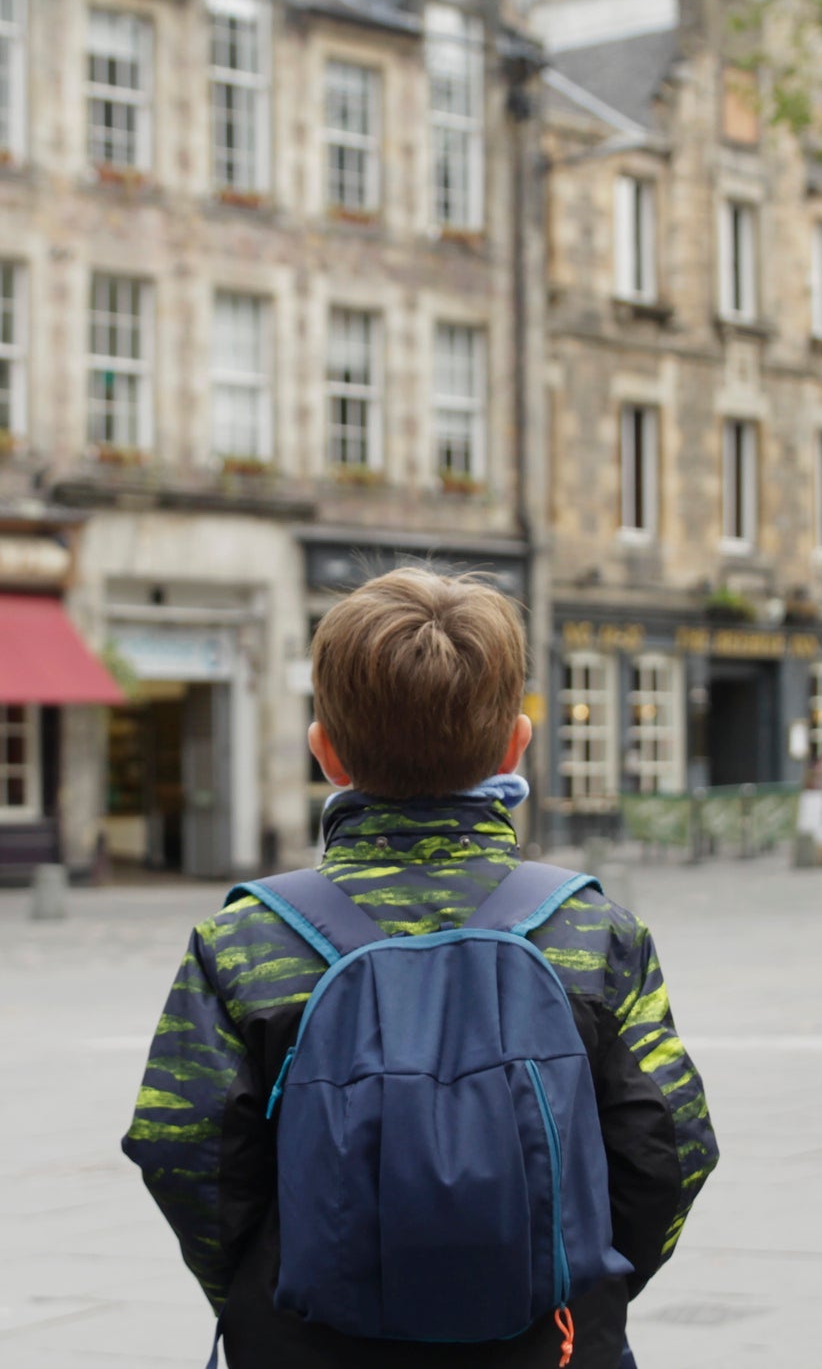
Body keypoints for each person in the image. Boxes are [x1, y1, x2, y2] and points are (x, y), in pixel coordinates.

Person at [123, 567, 718, 1369]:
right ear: (515, 742)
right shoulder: (591, 931)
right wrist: (575, 1282)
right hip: (553, 1344)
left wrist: (263, 1295)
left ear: (325, 753)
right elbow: (670, 1144)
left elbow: (180, 1145)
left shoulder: (245, 940)